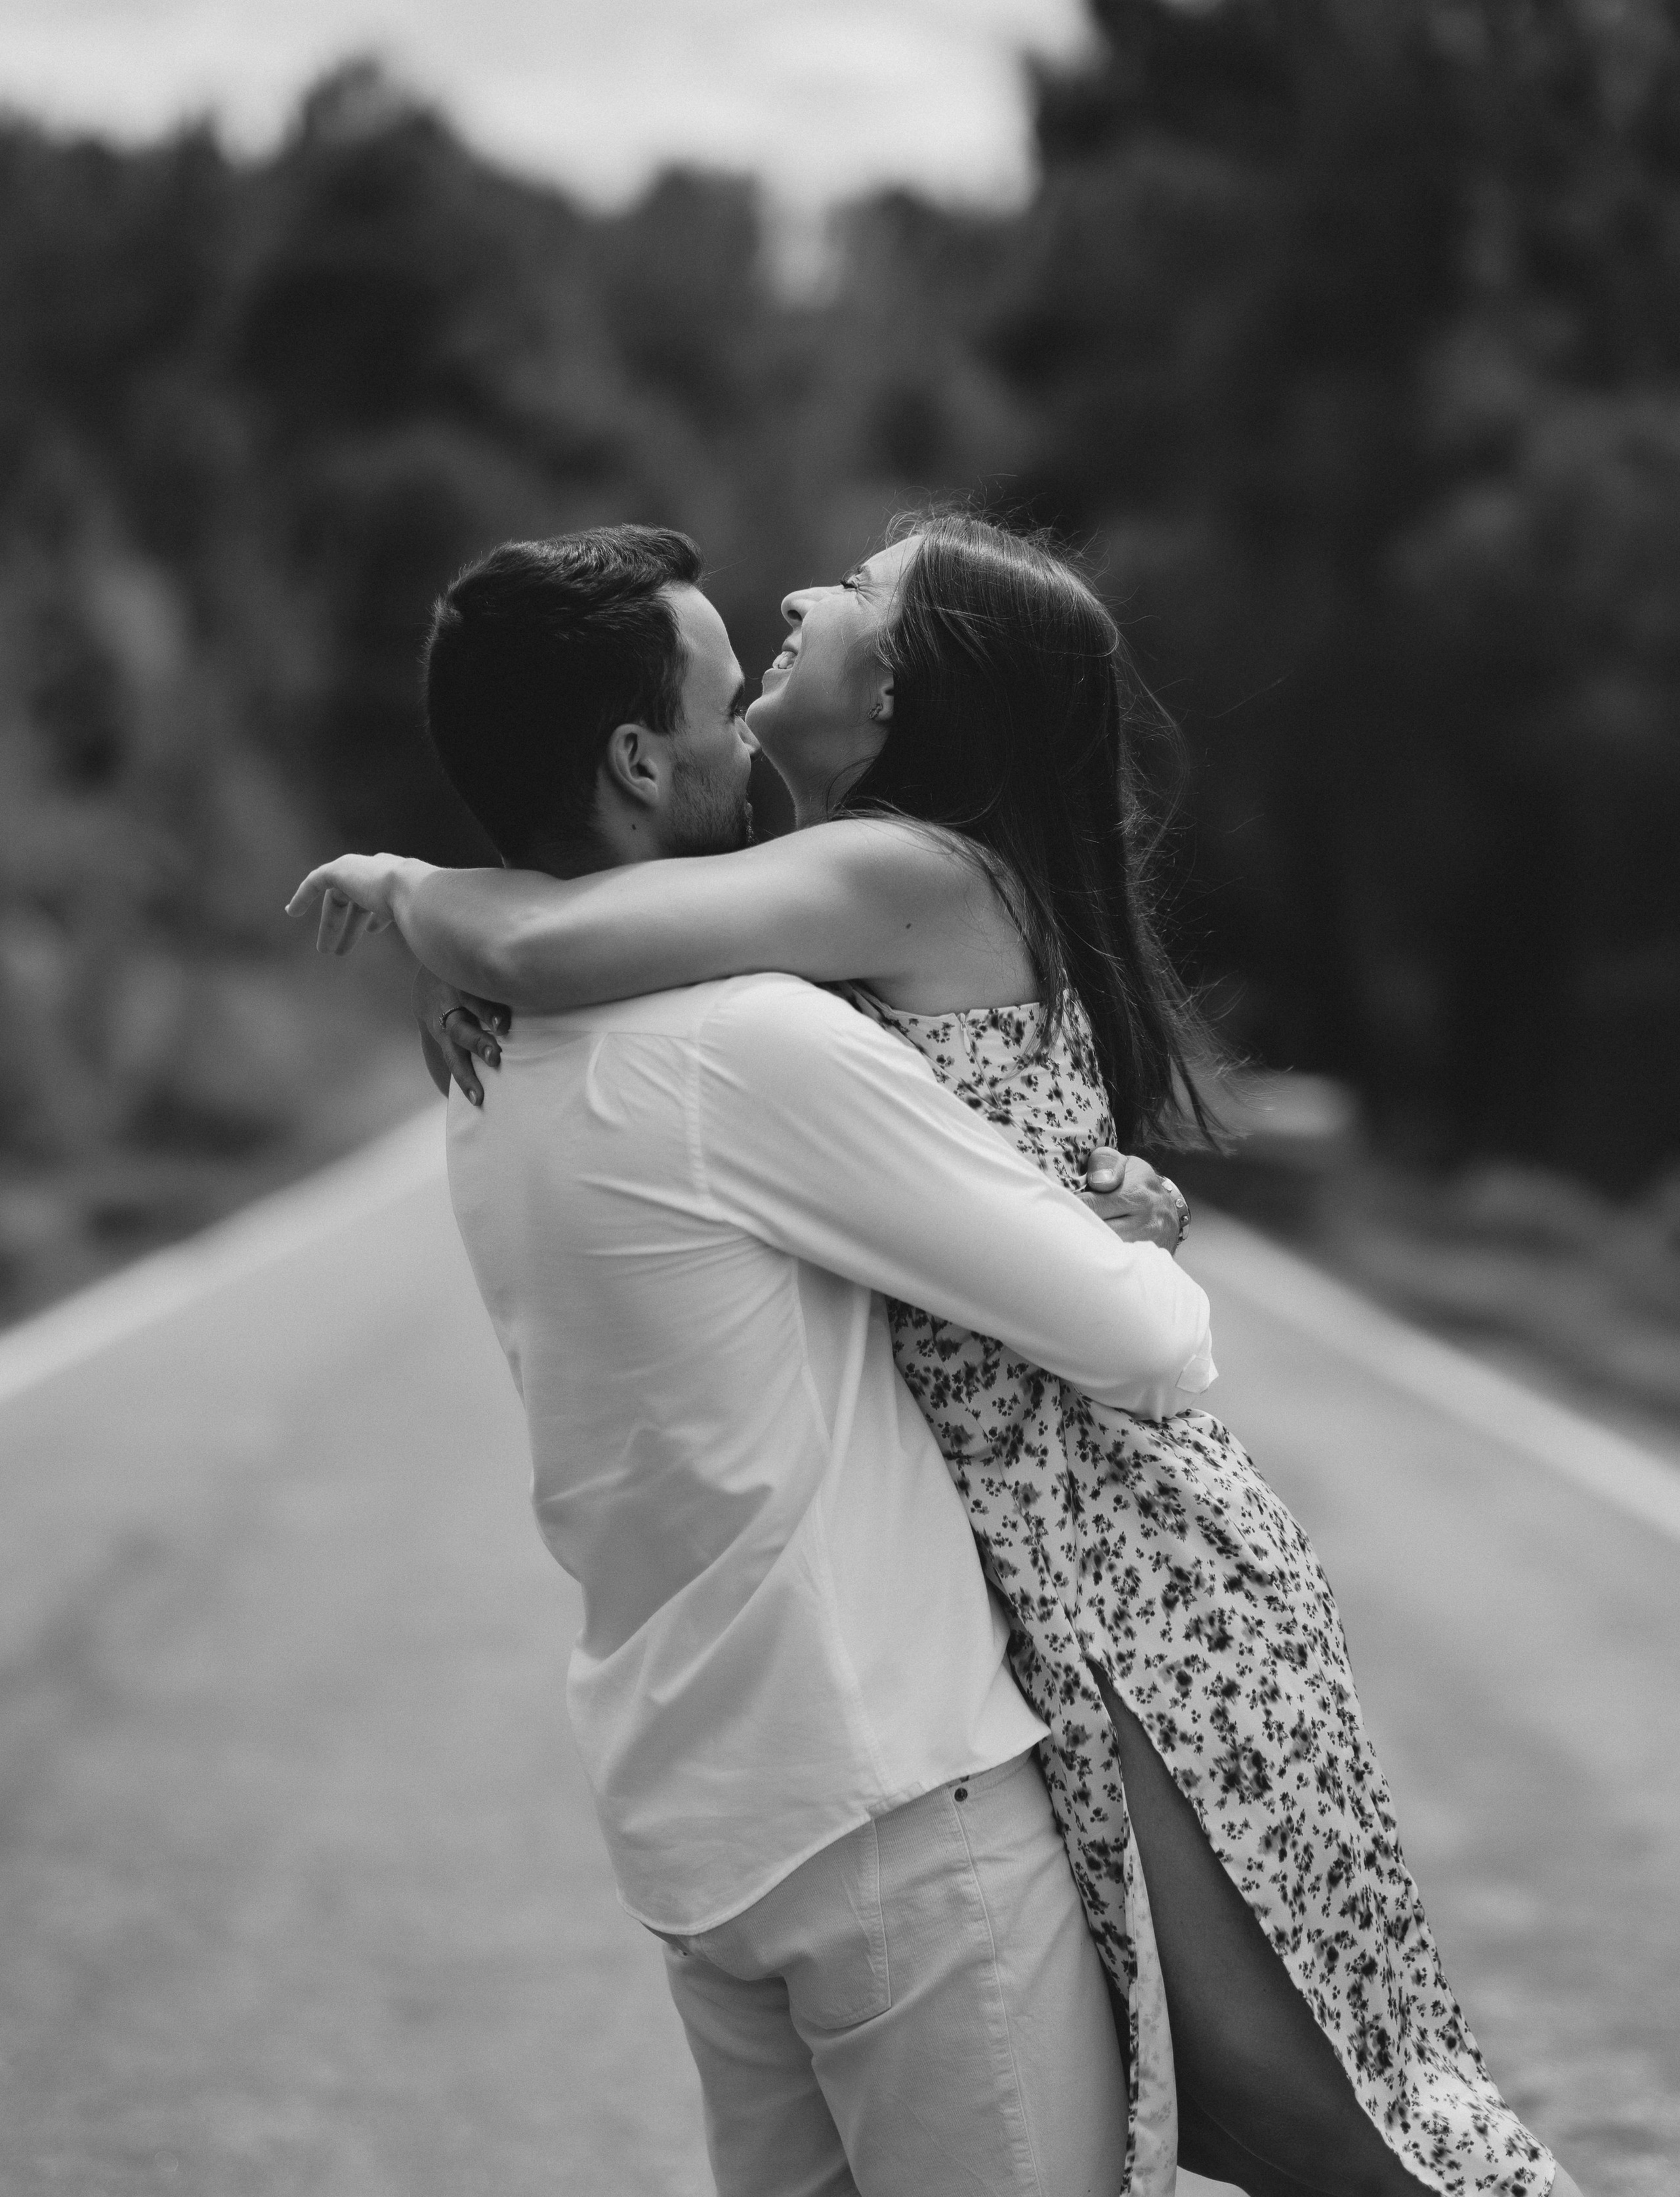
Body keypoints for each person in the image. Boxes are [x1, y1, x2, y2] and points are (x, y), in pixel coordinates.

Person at [292, 513, 1584, 2197]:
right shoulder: (781, 969)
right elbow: (604, 950)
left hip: (1115, 1555)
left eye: (853, 596)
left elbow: (558, 949)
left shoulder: (869, 893)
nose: (799, 598)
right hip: (1011, 1593)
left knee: (1322, 2107)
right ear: (634, 757)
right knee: (1279, 2104)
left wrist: (421, 895)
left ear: (908, 690)